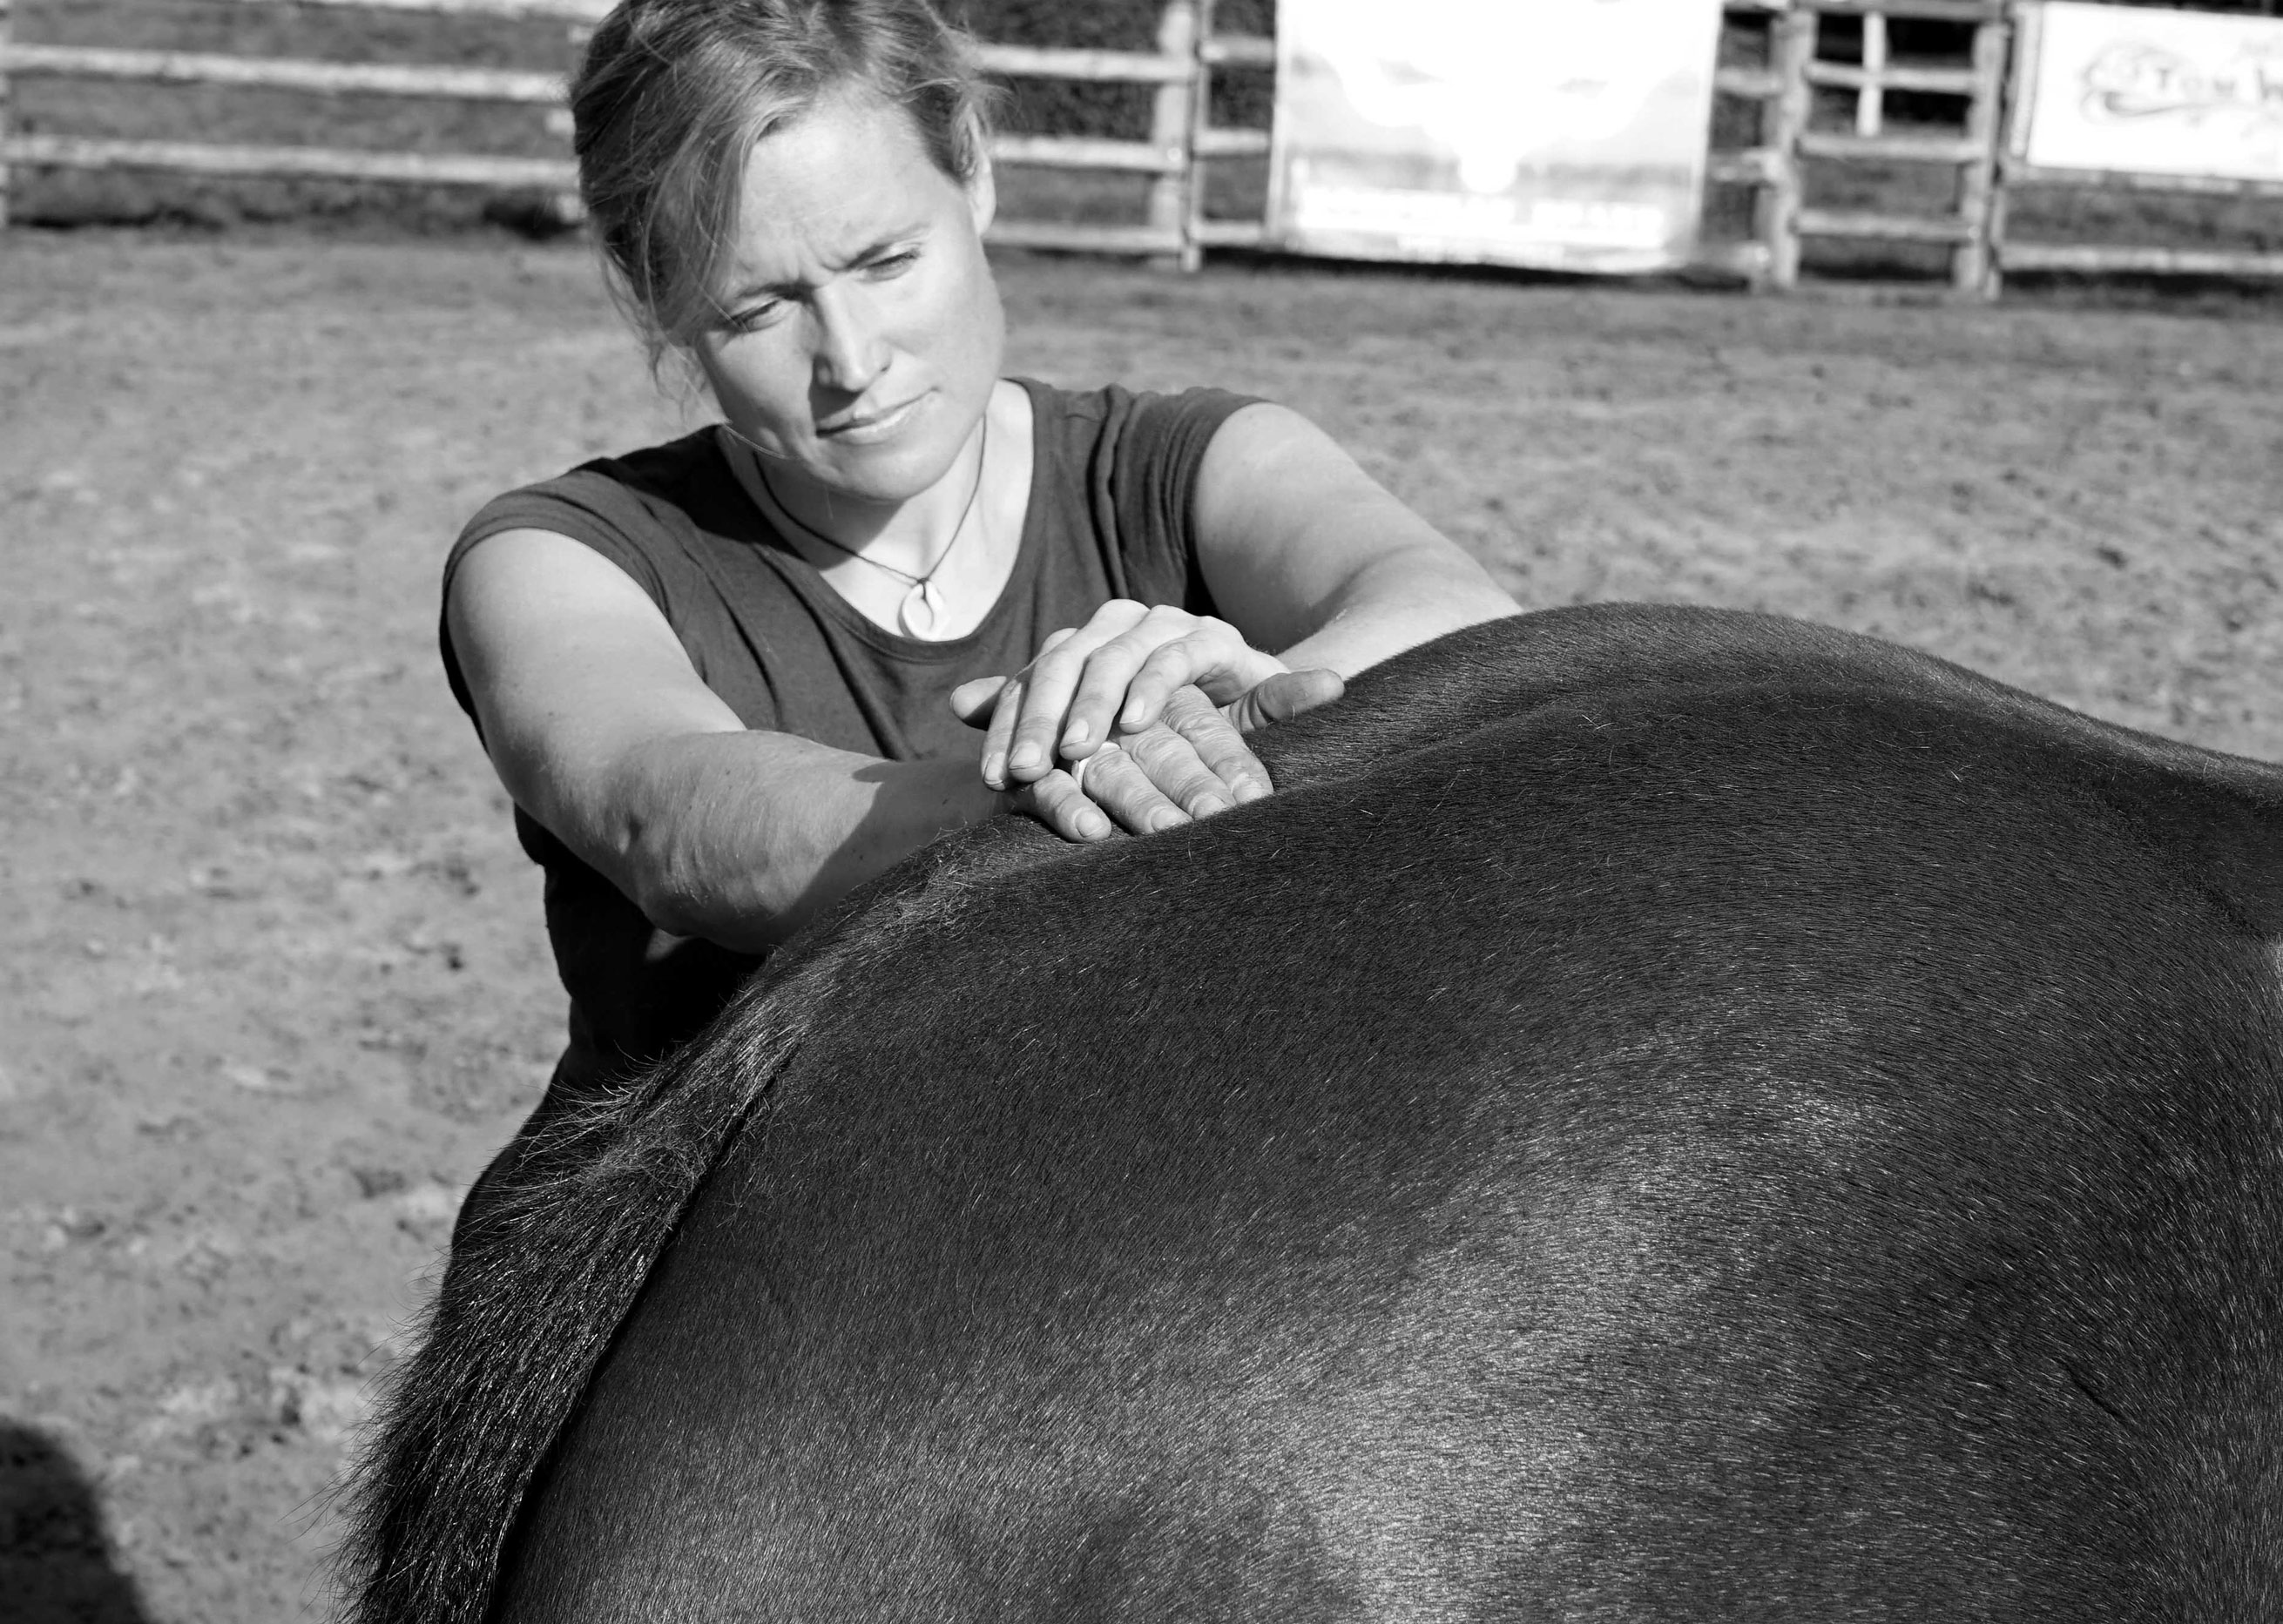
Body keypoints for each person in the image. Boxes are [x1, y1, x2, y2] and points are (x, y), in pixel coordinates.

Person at [440, 0, 1522, 1178]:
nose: (850, 361)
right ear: (657, 299)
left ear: (976, 177)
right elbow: (669, 812)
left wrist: (1218, 694)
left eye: (885, 262)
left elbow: (1454, 612)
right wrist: (1037, 781)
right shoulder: (557, 557)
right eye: (756, 308)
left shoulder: (1190, 464)